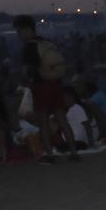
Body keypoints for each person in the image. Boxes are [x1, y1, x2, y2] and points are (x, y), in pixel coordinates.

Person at [16, 14, 78, 163]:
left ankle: (50, 155)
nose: (18, 35)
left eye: (19, 31)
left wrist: (26, 81)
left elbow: (25, 71)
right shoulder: (47, 42)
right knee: (62, 119)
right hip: (56, 84)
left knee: (43, 122)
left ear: (25, 30)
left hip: (40, 86)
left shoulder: (29, 47)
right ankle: (74, 153)